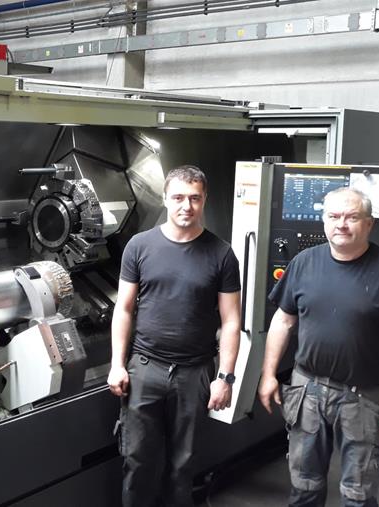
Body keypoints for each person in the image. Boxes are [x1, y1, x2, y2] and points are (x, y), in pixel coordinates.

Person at [258, 187, 379, 507]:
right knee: (304, 485)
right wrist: (268, 374)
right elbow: (283, 321)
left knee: (358, 493)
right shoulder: (303, 263)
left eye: (352, 217)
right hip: (308, 391)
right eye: (334, 216)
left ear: (368, 223)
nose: (341, 224)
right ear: (324, 220)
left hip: (365, 397)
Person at [108, 165, 242, 507]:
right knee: (138, 460)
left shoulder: (221, 254)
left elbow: (231, 321)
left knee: (183, 465)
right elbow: (124, 309)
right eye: (179, 197)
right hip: (145, 368)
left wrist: (225, 378)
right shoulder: (140, 246)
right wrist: (117, 364)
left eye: (195, 198)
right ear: (166, 199)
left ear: (204, 200)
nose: (187, 206)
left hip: (194, 373)